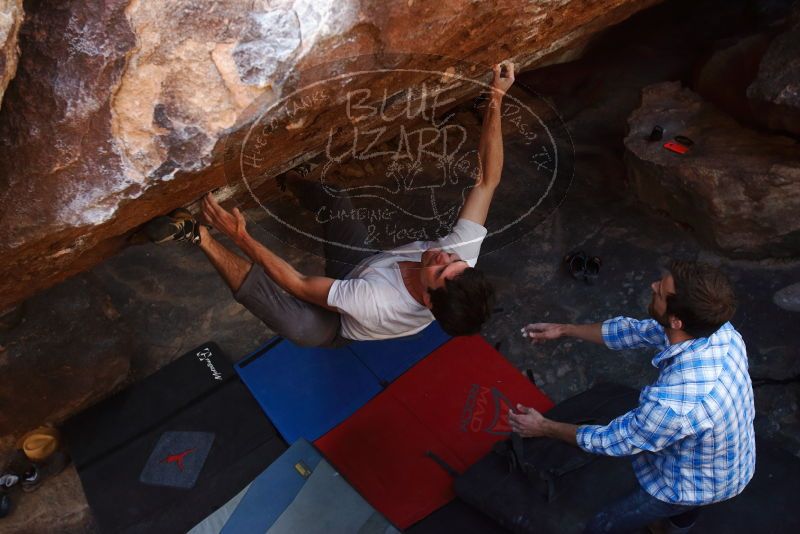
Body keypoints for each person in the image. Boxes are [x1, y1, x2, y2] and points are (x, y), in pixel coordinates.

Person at [145, 62, 515, 346]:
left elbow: (300, 282)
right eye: (453, 260)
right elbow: (489, 180)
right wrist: (496, 97)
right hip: (364, 266)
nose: (441, 256)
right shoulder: (457, 259)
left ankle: (199, 236)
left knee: (299, 324)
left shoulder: (377, 303)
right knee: (337, 199)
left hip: (339, 322)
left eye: (439, 270)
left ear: (430, 303)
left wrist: (239, 236)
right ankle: (289, 179)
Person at [510, 260, 755, 533]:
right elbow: (632, 331)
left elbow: (608, 441)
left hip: (690, 484)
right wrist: (565, 329)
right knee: (682, 513)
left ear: (676, 320)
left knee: (603, 524)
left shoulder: (671, 407)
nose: (652, 286)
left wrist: (543, 426)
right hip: (731, 460)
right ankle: (678, 524)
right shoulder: (720, 331)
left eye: (660, 291)